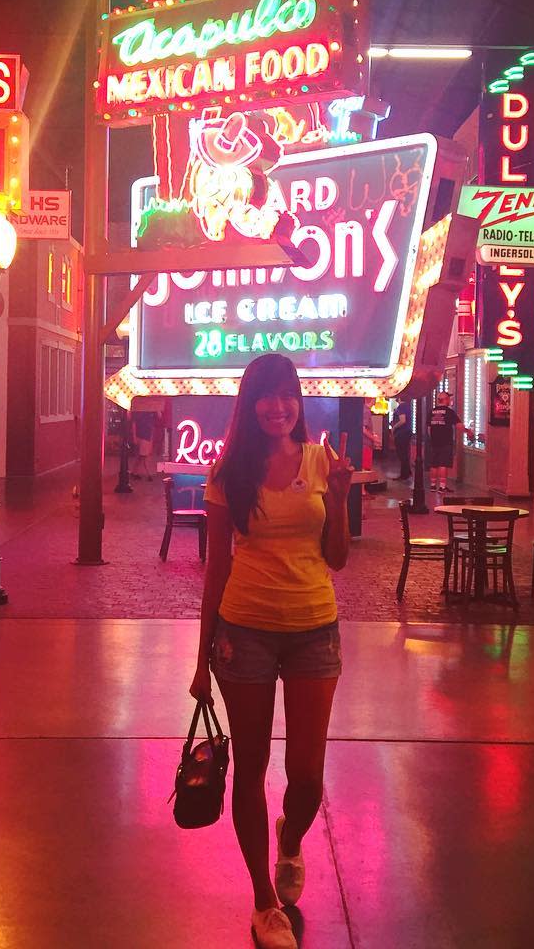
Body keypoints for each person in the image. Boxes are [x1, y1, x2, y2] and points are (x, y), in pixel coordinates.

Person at [190, 354, 353, 949]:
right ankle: (263, 901)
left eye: (287, 395)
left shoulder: (321, 462)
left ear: (298, 401)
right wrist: (202, 656)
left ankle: (290, 840)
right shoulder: (227, 470)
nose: (277, 407)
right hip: (245, 631)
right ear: (248, 403)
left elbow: (338, 558)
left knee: (307, 775)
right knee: (251, 769)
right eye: (266, 396)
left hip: (315, 629)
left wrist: (338, 498)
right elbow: (215, 569)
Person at [428, 391, 462, 493]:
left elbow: (428, 428)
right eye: (449, 399)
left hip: (434, 442)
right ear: (445, 400)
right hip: (445, 441)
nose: (450, 401)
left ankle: (433, 486)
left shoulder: (432, 411)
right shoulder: (449, 412)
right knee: (443, 464)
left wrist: (432, 438)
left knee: (434, 464)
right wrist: (468, 432)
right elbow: (458, 425)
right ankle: (442, 487)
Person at [130, 408, 157, 479]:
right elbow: (134, 424)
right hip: (144, 436)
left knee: (141, 456)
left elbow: (134, 424)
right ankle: (149, 474)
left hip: (143, 436)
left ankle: (134, 472)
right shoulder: (149, 412)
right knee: (144, 456)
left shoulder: (147, 412)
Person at [391, 401, 413, 480]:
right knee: (405, 453)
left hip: (401, 433)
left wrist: (394, 427)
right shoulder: (407, 406)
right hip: (406, 433)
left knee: (402, 453)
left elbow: (402, 420)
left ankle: (404, 475)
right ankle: (407, 472)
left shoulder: (402, 406)